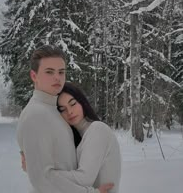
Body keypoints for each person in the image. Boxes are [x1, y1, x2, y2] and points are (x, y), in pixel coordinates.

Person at [16, 45, 113, 193]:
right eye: (49, 72)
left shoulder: (53, 109)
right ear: (34, 76)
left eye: (61, 72)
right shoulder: (36, 115)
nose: (57, 77)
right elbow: (42, 178)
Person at [49, 82, 121, 193]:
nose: (70, 112)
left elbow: (84, 179)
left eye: (72, 104)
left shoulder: (97, 129)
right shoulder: (78, 138)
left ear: (81, 102)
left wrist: (45, 174)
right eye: (63, 109)